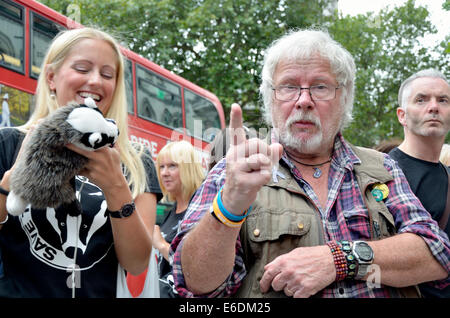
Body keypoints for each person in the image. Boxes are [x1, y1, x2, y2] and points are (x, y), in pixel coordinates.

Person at [169, 29, 450, 298]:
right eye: (289, 86)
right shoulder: (234, 173)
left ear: (344, 98)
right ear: (271, 99)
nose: (304, 101)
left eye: (320, 86)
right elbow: (196, 285)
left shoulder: (383, 168)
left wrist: (340, 259)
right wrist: (229, 206)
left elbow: (436, 253)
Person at [0, 27, 162, 298]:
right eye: (82, 68)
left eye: (107, 74)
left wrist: (115, 187)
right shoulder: (7, 142)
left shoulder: (136, 160)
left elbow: (136, 263)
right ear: (51, 77)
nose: (96, 81)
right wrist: (15, 175)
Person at [388, 69, 450, 298]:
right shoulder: (379, 173)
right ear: (402, 115)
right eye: (421, 99)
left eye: (443, 100)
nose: (433, 107)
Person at [152, 140, 204, 297]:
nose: (164, 173)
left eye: (172, 166)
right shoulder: (172, 211)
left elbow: (197, 267)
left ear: (188, 169)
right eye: (161, 166)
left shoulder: (201, 209)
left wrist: (161, 244)